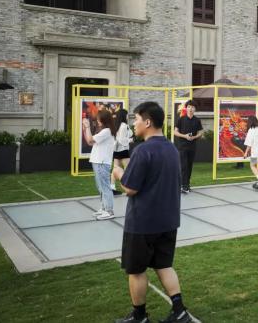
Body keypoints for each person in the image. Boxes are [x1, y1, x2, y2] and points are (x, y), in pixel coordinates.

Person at [115, 101, 192, 323]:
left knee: (136, 270)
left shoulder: (143, 150)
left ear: (147, 122)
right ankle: (180, 312)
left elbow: (130, 188)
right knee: (164, 265)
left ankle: (139, 316)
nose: (134, 124)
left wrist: (118, 173)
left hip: (143, 223)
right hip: (168, 221)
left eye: (137, 119)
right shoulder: (172, 149)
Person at [82, 109, 117, 220]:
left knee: (105, 187)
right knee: (101, 187)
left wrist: (87, 127)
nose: (97, 121)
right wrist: (85, 128)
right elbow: (90, 142)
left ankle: (109, 211)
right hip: (98, 162)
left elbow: (90, 140)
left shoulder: (106, 131)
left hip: (102, 163)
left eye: (99, 119)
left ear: (104, 120)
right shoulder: (104, 131)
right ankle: (104, 208)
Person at [174, 100, 203, 194]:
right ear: (186, 108)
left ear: (195, 109)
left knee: (189, 166)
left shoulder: (197, 120)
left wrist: (194, 137)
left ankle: (187, 184)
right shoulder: (181, 119)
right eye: (189, 107)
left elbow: (200, 132)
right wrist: (184, 136)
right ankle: (184, 185)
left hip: (192, 147)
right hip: (182, 147)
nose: (190, 109)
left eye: (193, 107)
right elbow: (175, 132)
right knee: (184, 166)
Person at [111, 109, 133, 196]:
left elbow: (127, 134)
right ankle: (127, 187)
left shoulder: (117, 125)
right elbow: (122, 139)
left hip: (116, 150)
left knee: (115, 169)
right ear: (124, 116)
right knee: (128, 169)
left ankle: (112, 187)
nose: (128, 116)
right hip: (123, 150)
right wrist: (130, 140)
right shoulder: (123, 125)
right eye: (127, 115)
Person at [244, 115, 258, 190]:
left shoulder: (251, 130)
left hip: (255, 152)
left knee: (252, 165)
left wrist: (246, 152)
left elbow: (249, 143)